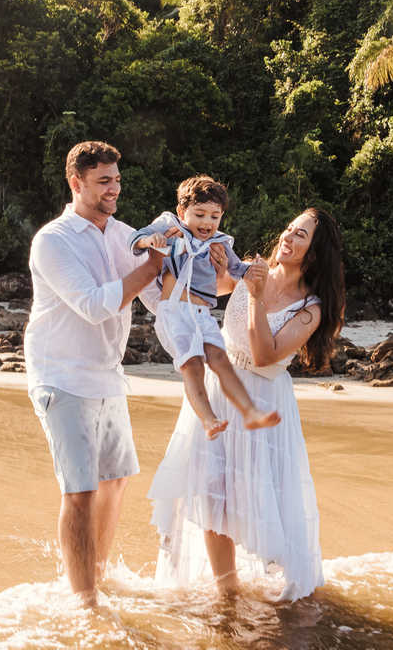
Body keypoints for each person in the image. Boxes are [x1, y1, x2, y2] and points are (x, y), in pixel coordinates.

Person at [148, 208, 345, 602]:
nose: (287, 237)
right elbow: (196, 290)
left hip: (262, 399)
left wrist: (255, 297)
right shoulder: (251, 269)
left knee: (258, 496)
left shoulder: (311, 307)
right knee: (211, 492)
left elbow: (263, 354)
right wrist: (191, 256)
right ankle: (228, 593)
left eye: (300, 235)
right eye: (289, 228)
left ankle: (289, 595)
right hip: (218, 387)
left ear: (316, 252)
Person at [24, 140, 167, 608]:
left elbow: (160, 298)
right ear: (76, 183)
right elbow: (93, 304)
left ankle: (96, 580)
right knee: (80, 489)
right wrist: (154, 264)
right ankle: (84, 603)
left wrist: (213, 270)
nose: (113, 189)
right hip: (61, 376)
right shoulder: (52, 240)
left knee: (115, 480)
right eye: (103, 181)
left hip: (108, 376)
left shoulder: (125, 234)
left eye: (117, 180)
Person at [129, 176, 280, 439]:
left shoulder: (219, 242)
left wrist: (253, 269)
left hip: (203, 314)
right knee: (193, 366)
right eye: (199, 214)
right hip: (174, 311)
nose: (207, 223)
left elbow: (237, 270)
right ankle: (208, 419)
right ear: (181, 211)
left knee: (221, 360)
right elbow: (135, 239)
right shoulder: (170, 225)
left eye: (214, 216)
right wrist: (151, 239)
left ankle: (250, 413)